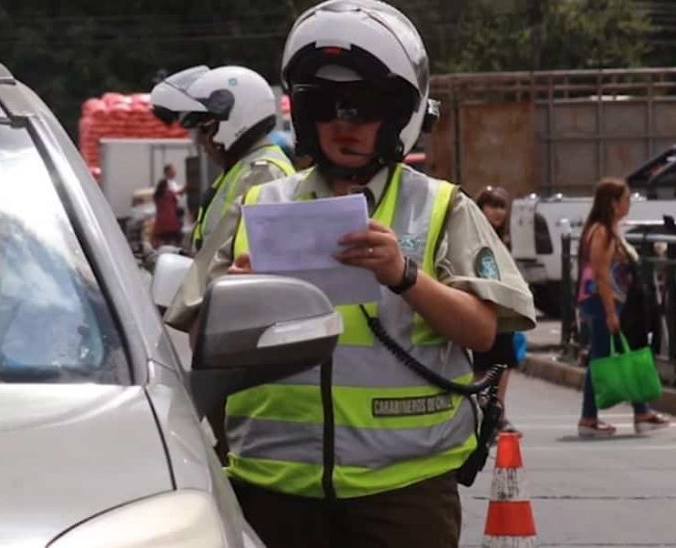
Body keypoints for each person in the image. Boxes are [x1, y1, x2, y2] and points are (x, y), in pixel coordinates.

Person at [165, 2, 536, 546]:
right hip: (273, 485)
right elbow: (199, 338)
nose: (345, 124)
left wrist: (405, 275)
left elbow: (484, 331)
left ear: (399, 115)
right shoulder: (258, 206)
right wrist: (235, 300)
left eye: (364, 108)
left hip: (404, 490)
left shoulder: (441, 208)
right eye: (327, 107)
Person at [150, 65, 296, 253]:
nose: (200, 141)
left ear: (236, 119)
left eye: (203, 128)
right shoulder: (239, 171)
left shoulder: (263, 173)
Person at [576, 177, 670, 437]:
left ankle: (640, 411)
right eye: (626, 199)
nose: (629, 204)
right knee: (602, 358)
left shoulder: (609, 229)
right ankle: (589, 419)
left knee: (618, 354)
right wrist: (609, 312)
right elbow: (601, 275)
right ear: (613, 203)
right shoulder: (602, 232)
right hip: (603, 303)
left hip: (614, 303)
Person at [472, 186, 522, 437]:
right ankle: (476, 414)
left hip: (503, 309)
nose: (497, 212)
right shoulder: (473, 236)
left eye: (501, 206)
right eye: (491, 205)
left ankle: (498, 414)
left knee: (503, 362)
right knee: (479, 366)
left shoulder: (504, 240)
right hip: (479, 306)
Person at [151, 173, 183, 249]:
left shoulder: (156, 196)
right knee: (177, 240)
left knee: (164, 242)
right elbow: (178, 196)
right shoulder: (170, 194)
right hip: (172, 224)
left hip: (160, 225)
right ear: (166, 186)